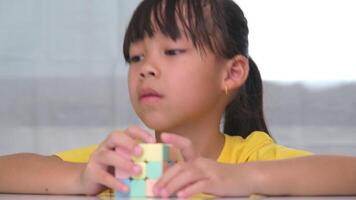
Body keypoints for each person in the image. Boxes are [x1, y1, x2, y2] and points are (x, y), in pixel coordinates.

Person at [0, 0, 355, 197]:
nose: (146, 68)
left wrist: (245, 178)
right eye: (136, 57)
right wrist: (81, 180)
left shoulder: (248, 157)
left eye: (171, 51)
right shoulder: (125, 163)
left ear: (231, 73)